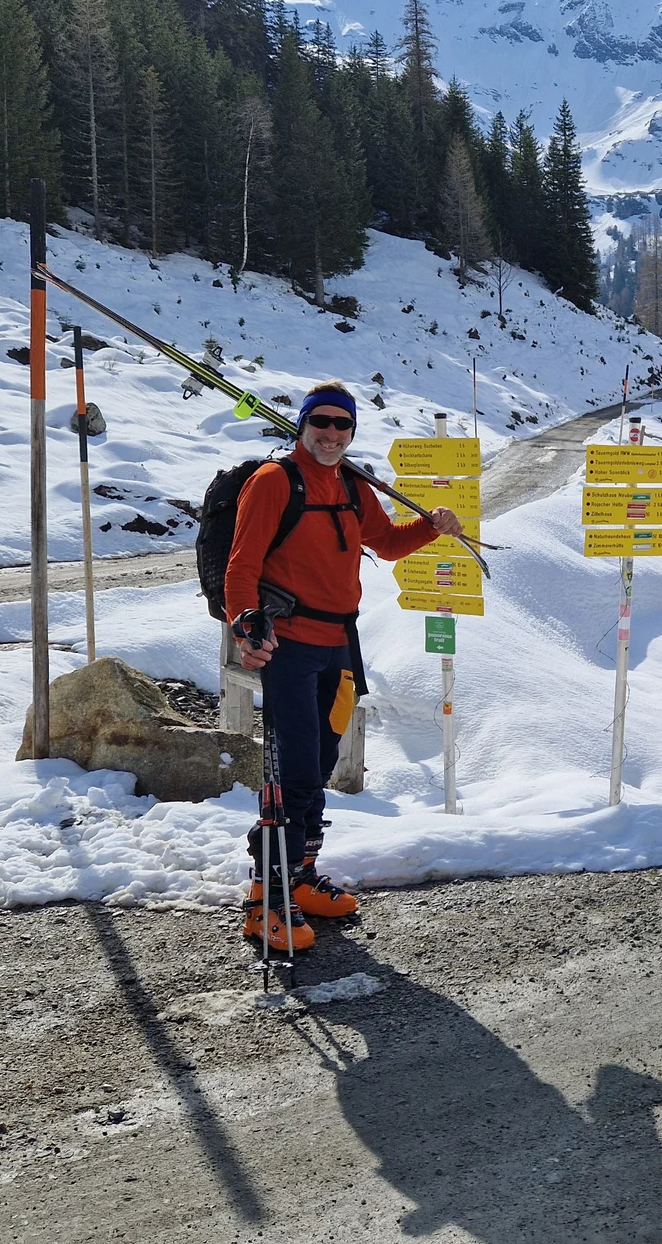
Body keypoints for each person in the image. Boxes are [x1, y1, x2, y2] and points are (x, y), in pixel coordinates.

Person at [227, 381, 463, 950]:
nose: (331, 434)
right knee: (294, 771)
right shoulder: (273, 482)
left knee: (324, 760)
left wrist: (432, 526)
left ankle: (301, 878)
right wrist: (244, 627)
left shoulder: (354, 485)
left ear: (352, 431)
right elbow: (242, 564)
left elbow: (384, 543)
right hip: (288, 646)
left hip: (339, 646)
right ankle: (266, 899)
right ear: (302, 425)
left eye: (342, 425)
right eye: (321, 423)